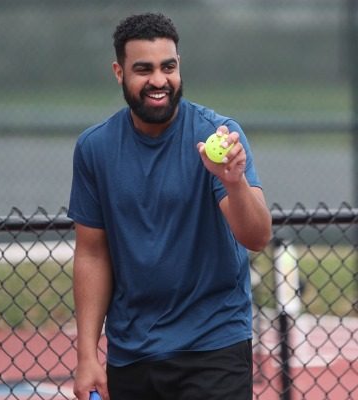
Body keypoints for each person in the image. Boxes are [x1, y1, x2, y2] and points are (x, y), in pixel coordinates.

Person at [68, 12, 272, 400]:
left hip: (214, 346)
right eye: (143, 69)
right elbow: (92, 254)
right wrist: (87, 356)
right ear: (119, 72)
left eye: (169, 67)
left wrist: (234, 181)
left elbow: (257, 236)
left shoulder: (217, 134)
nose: (159, 81)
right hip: (132, 354)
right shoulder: (95, 149)